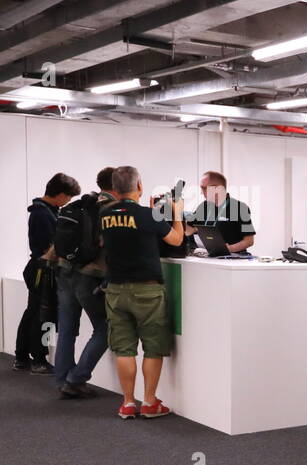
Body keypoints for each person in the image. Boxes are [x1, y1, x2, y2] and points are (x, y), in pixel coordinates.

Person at [99, 165, 184, 419]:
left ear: (114, 189)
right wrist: (176, 214)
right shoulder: (150, 215)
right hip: (147, 290)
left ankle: (127, 403)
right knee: (153, 347)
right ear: (139, 186)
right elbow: (177, 240)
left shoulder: (104, 214)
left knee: (124, 348)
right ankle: (148, 402)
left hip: (115, 289)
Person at [52, 167, 116, 398]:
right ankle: (77, 378)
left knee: (67, 329)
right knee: (106, 327)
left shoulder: (82, 203)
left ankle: (62, 380)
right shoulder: (111, 210)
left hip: (64, 271)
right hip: (89, 275)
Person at [13, 173, 80, 374]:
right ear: (60, 194)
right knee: (42, 313)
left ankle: (22, 356)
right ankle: (38, 359)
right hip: (43, 268)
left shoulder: (45, 211)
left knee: (33, 312)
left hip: (40, 267)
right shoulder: (42, 214)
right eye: (68, 197)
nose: (68, 202)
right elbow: (47, 246)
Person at [187, 170, 255, 252]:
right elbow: (188, 231)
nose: (201, 192)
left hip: (233, 260)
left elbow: (249, 241)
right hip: (210, 258)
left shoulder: (240, 208)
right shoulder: (203, 206)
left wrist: (229, 249)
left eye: (204, 188)